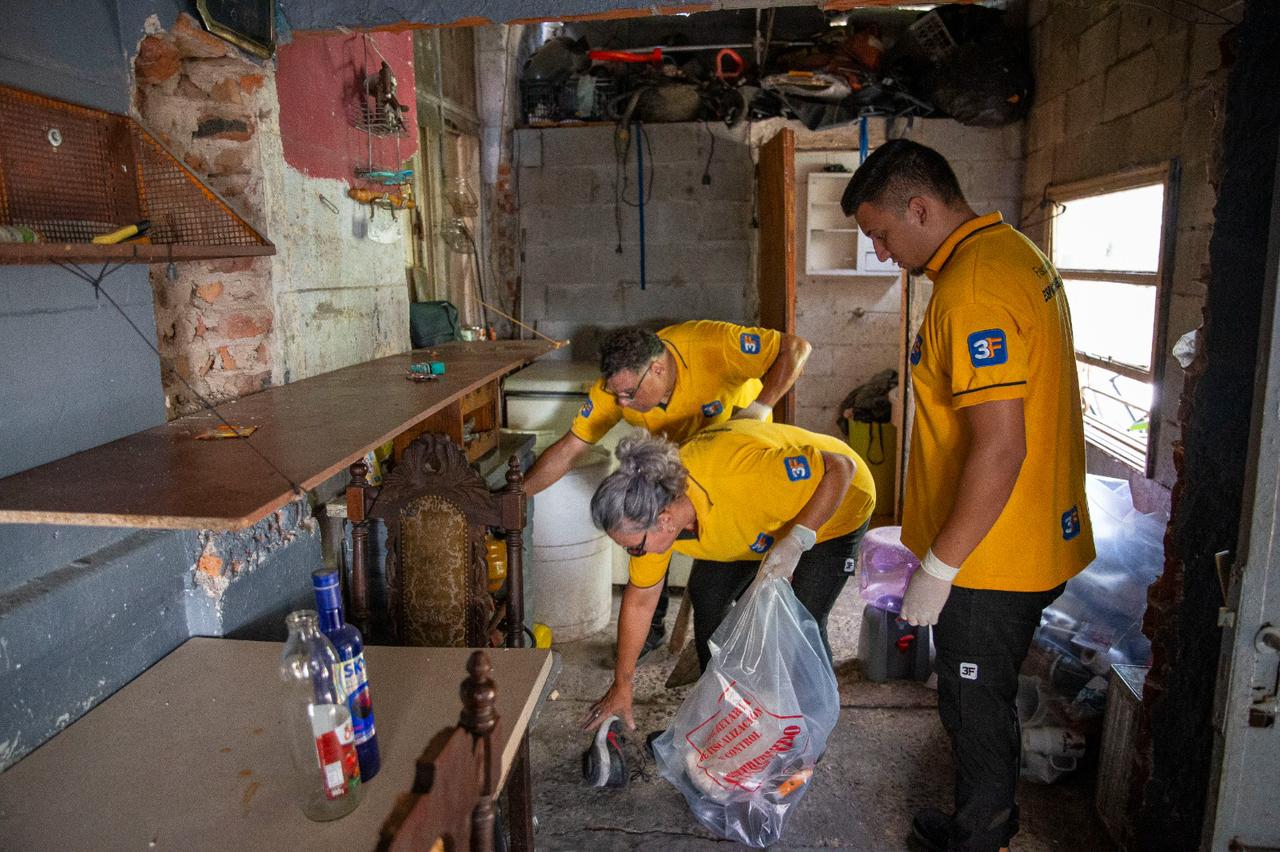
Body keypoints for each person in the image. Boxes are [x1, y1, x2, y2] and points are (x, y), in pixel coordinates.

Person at [841, 139, 1095, 852]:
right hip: (1028, 532)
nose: (882, 252)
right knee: (981, 693)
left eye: (882, 234)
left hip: (992, 556)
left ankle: (980, 836)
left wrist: (941, 567)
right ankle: (989, 819)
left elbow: (1001, 447)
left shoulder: (973, 291)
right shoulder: (1011, 251)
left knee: (972, 701)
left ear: (920, 208)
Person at [523, 320, 812, 655]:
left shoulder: (710, 345)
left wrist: (760, 408)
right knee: (645, 541)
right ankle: (650, 631)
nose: (622, 404)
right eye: (617, 395)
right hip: (669, 474)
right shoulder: (616, 389)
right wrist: (516, 498)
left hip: (730, 475)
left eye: (630, 394)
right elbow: (569, 449)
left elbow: (796, 348)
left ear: (657, 369)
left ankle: (741, 650)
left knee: (714, 591)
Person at [579, 418, 875, 735]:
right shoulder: (656, 510)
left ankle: (808, 732)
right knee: (708, 594)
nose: (633, 554)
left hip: (837, 503)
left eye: (634, 548)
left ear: (664, 521)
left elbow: (840, 468)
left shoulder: (740, 476)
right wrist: (622, 684)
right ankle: (723, 703)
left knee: (802, 620)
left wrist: (797, 540)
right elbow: (639, 602)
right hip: (759, 518)